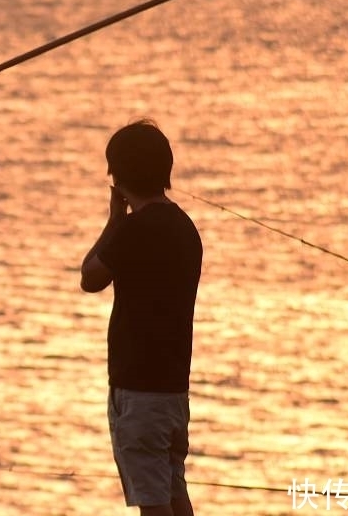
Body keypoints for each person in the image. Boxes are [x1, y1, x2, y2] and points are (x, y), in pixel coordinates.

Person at [80, 119, 203, 516]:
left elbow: (90, 276)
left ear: (117, 177)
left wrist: (115, 218)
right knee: (174, 493)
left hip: (139, 394)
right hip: (173, 390)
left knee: (153, 504)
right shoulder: (185, 227)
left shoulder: (133, 231)